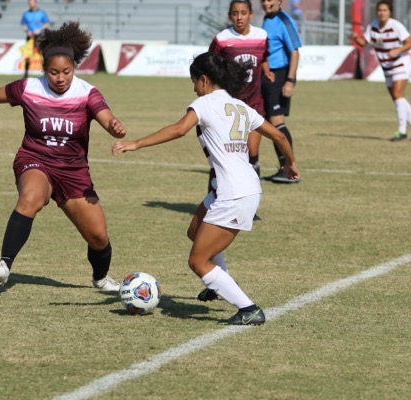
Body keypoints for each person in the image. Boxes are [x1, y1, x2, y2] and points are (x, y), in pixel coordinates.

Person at [111, 52, 300, 325]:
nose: (193, 88)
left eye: (194, 82)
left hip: (233, 193)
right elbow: (280, 135)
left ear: (203, 79)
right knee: (194, 231)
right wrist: (290, 164)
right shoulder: (242, 106)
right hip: (235, 186)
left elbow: (179, 130)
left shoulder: (204, 103)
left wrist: (136, 143)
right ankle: (216, 282)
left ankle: (249, 309)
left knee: (198, 262)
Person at [0, 21, 127, 291]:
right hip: (34, 159)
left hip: (73, 172)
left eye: (66, 72)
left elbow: (107, 118)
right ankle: (4, 265)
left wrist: (114, 128)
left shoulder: (87, 93)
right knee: (31, 198)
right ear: (44, 69)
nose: (60, 78)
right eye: (53, 72)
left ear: (74, 68)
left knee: (98, 238)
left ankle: (100, 278)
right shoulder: (29, 89)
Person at [208, 0, 273, 187]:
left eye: (243, 13)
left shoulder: (261, 36)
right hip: (229, 107)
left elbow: (264, 57)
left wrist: (267, 71)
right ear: (230, 16)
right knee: (224, 156)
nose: (239, 17)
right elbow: (212, 66)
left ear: (251, 14)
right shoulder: (221, 39)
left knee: (252, 154)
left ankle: (252, 202)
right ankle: (215, 198)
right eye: (235, 13)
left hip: (254, 103)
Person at [351, 0, 411, 141]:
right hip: (387, 67)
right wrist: (356, 38)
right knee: (398, 99)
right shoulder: (372, 26)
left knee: (398, 94)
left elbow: (410, 42)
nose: (382, 13)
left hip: (401, 64)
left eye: (385, 10)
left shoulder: (396, 25)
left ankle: (402, 131)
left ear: (390, 12)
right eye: (380, 10)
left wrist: (398, 49)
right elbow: (364, 43)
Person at [260, 0, 302, 183]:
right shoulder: (267, 18)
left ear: (280, 1)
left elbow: (295, 53)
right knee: (271, 120)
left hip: (281, 75)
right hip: (269, 75)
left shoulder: (285, 21)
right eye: (263, 0)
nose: (266, 3)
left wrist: (290, 81)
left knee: (277, 121)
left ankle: (290, 168)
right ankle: (283, 167)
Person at [21, 0, 50, 78]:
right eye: (29, 3)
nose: (30, 4)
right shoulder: (26, 14)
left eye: (31, 2)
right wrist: (27, 31)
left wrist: (39, 30)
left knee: (42, 54)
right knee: (28, 55)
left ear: (35, 3)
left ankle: (46, 71)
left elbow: (47, 24)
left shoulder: (42, 13)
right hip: (30, 37)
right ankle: (26, 73)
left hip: (40, 37)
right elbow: (23, 25)